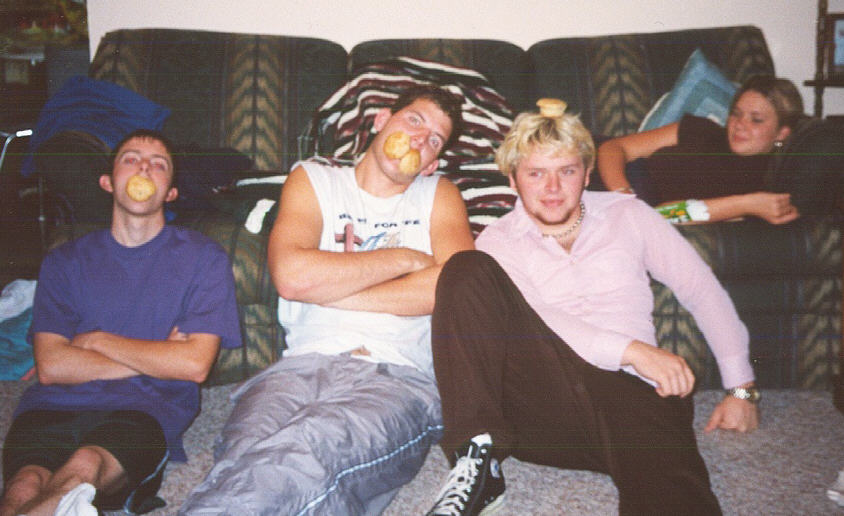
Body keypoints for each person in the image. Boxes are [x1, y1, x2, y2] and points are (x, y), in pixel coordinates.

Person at [425, 100, 759, 516]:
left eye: (566, 171)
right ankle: (477, 459)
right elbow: (539, 316)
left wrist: (741, 388)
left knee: (660, 457)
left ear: (586, 173)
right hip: (542, 409)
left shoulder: (628, 215)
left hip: (633, 399)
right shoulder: (498, 240)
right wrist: (632, 351)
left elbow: (700, 287)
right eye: (536, 173)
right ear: (513, 179)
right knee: (464, 268)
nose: (552, 188)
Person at [180, 85, 475, 515]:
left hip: (397, 376)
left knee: (306, 451)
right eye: (414, 121)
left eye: (434, 140)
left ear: (432, 163)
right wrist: (404, 259)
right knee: (246, 455)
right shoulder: (314, 179)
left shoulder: (438, 194)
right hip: (299, 366)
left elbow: (456, 287)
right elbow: (293, 276)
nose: (418, 140)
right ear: (381, 120)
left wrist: (331, 288)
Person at [0, 129, 242, 516]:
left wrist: (95, 340)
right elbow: (51, 366)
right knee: (23, 485)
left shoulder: (203, 258)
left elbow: (194, 365)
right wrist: (160, 357)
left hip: (145, 408)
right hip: (51, 404)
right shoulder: (64, 261)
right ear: (108, 182)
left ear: (171, 192)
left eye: (158, 164)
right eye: (131, 159)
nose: (144, 168)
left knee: (84, 468)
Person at [597, 75, 805, 225]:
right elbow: (612, 148)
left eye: (756, 119)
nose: (740, 124)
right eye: (736, 113)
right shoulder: (702, 129)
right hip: (601, 171)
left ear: (782, 133)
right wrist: (624, 197)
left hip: (609, 207)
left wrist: (745, 204)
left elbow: (665, 215)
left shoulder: (760, 187)